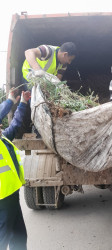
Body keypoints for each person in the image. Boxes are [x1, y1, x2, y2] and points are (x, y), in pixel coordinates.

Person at [0, 89, 31, 250]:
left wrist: (23, 103)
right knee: (3, 236)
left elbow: (16, 123)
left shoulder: (3, 139)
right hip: (2, 199)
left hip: (11, 195)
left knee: (19, 235)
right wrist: (10, 100)